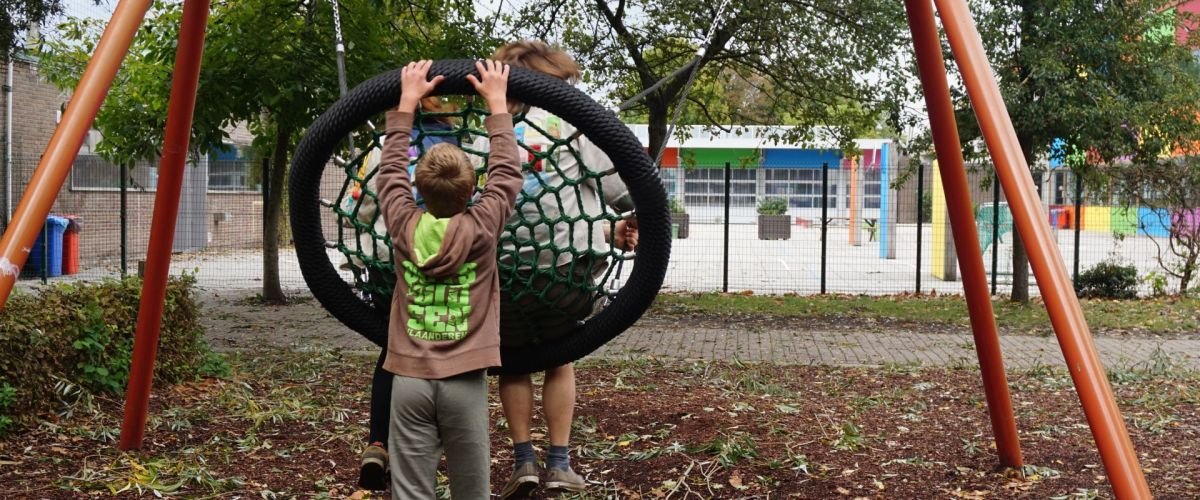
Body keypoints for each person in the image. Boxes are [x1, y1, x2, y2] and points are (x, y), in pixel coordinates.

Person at [474, 41, 639, 499]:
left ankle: (523, 459)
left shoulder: (483, 131)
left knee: (513, 364)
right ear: (552, 82)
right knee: (559, 357)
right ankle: (560, 463)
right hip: (564, 277)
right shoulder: (571, 124)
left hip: (499, 277)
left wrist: (609, 228)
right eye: (565, 82)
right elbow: (620, 188)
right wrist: (624, 220)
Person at [373, 58, 522, 499]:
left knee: (411, 489)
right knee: (471, 488)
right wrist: (497, 102)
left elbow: (388, 175)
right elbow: (507, 176)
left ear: (417, 188)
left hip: (409, 380)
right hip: (465, 379)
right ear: (473, 190)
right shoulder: (481, 228)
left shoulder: (403, 224)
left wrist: (406, 102)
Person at [359, 95, 464, 491]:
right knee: (451, 345)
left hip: (393, 261)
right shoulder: (460, 142)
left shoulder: (385, 147)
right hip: (454, 257)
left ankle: (379, 441)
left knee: (394, 349)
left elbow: (367, 209)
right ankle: (447, 449)